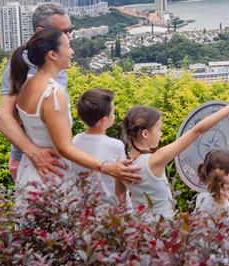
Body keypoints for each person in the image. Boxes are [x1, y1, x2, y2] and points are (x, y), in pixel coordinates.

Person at [9, 27, 140, 192]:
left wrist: (33, 148)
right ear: (53, 54)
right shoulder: (53, 93)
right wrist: (106, 167)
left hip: (29, 171)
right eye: (68, 47)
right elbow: (65, 148)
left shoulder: (26, 83)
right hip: (51, 175)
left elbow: (16, 120)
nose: (72, 51)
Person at [121, 93, 229, 222]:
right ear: (145, 133)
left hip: (137, 231)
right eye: (158, 129)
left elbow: (120, 203)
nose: (161, 134)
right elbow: (198, 130)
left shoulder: (120, 165)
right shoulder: (155, 160)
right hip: (160, 232)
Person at [0, 3, 72, 181]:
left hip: (56, 158)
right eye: (63, 31)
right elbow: (4, 117)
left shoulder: (55, 61)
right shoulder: (21, 65)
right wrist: (34, 153)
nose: (69, 36)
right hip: (31, 160)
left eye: (71, 30)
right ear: (40, 31)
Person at [71, 88, 127, 203]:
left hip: (81, 207)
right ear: (104, 120)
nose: (114, 115)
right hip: (109, 209)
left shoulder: (74, 141)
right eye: (113, 112)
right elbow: (121, 181)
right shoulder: (116, 146)